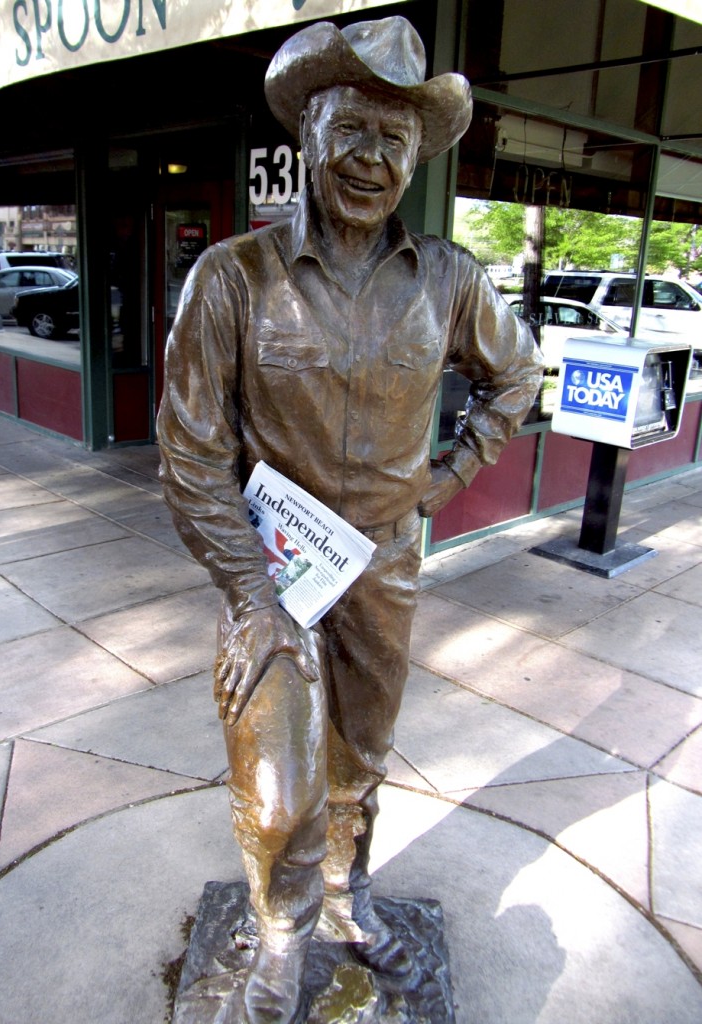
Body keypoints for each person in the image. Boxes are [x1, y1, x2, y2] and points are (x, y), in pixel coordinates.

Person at [158, 15, 543, 1023]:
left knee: (357, 761)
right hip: (272, 568)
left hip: (381, 564)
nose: (372, 158)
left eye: (395, 140)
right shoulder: (233, 279)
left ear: (413, 161)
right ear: (308, 141)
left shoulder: (449, 281)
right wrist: (250, 591)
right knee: (277, 780)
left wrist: (446, 477)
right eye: (352, 131)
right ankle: (281, 936)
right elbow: (189, 448)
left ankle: (343, 891)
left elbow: (515, 375)